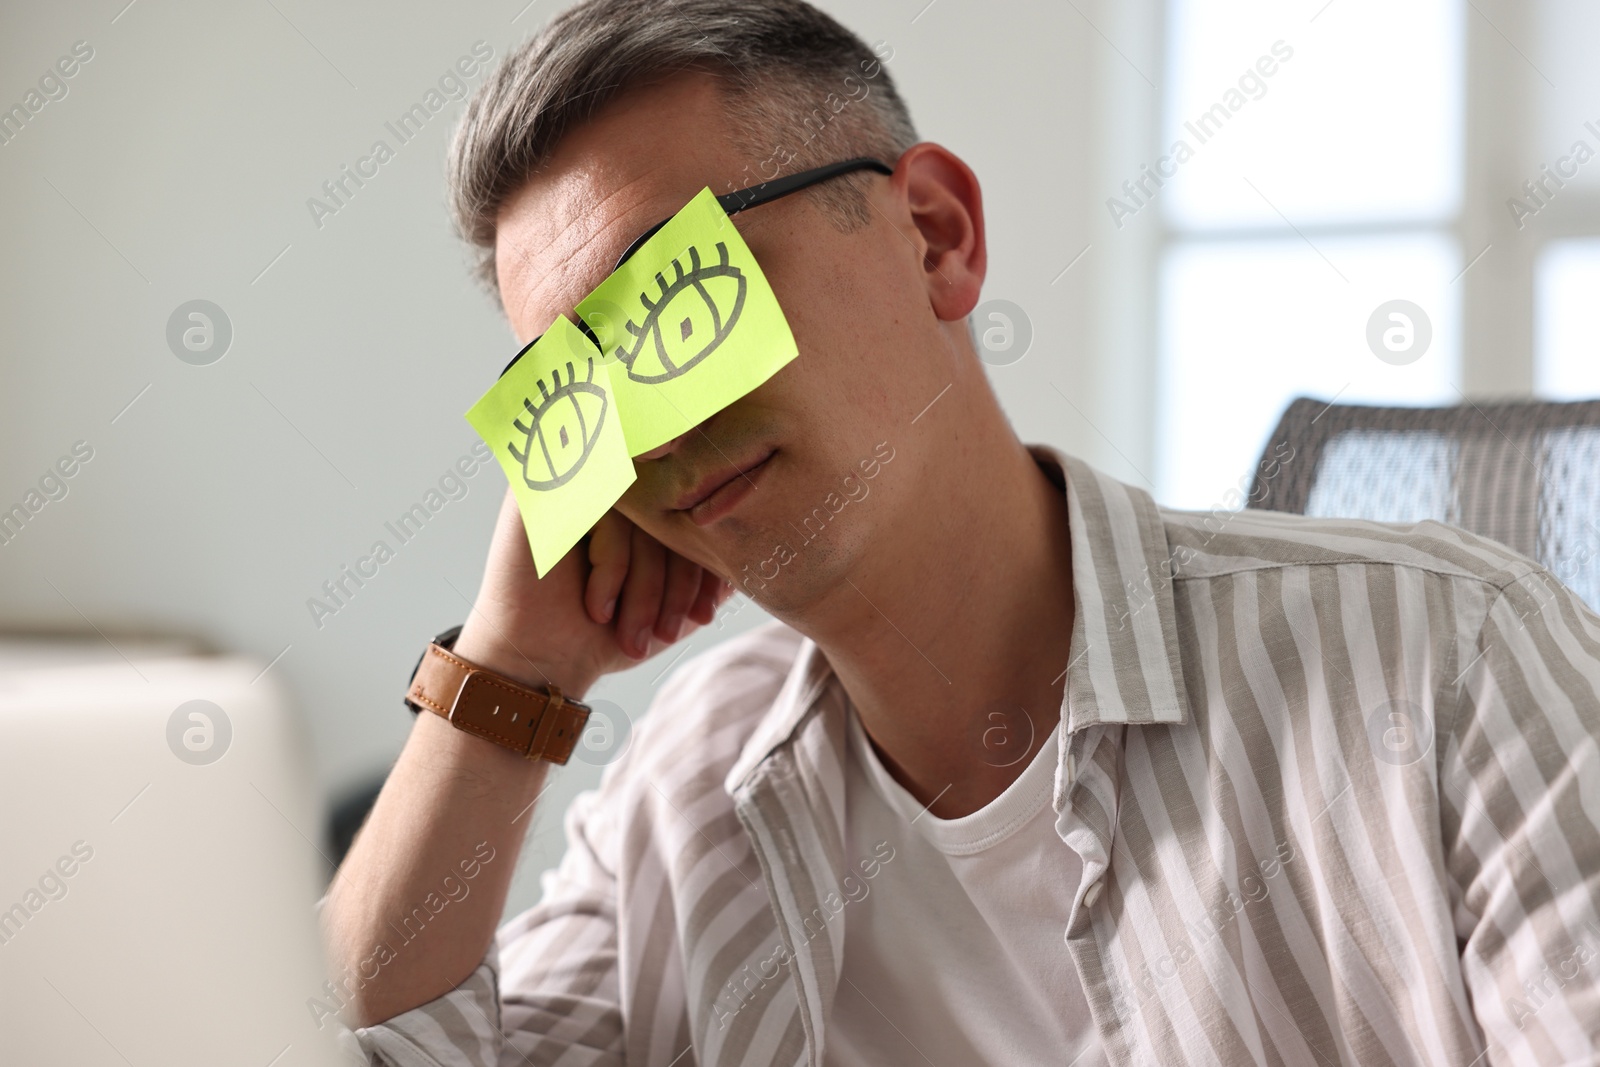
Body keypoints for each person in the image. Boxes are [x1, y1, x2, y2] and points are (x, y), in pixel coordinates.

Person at [321, 1, 1600, 1063]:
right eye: (573, 396)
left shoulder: (1449, 667)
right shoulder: (684, 795)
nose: (646, 436)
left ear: (935, 236)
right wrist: (507, 672)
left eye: (677, 302)